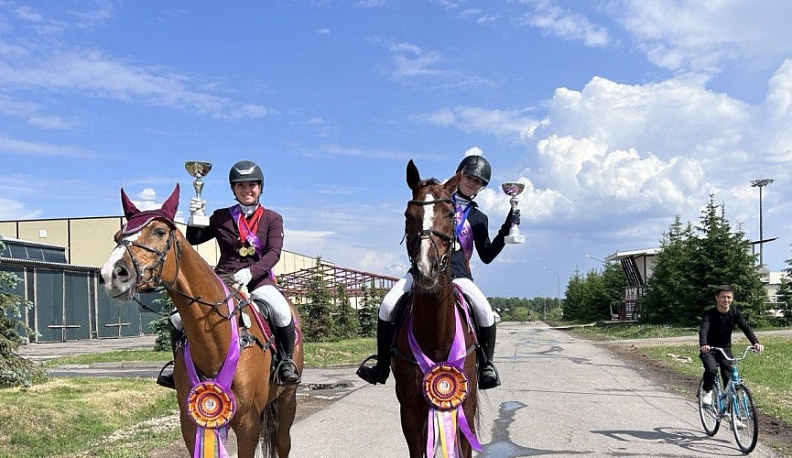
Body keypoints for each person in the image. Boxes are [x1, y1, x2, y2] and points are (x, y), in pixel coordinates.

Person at [357, 154, 520, 390]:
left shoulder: (478, 217)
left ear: (481, 187)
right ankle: (382, 364)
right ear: (458, 176)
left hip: (459, 275)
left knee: (484, 310)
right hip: (422, 269)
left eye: (478, 182)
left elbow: (487, 254)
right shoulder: (436, 200)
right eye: (469, 177)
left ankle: (485, 366)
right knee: (388, 304)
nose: (472, 183)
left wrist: (509, 225)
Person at [156, 160, 300, 388]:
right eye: (240, 186)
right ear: (233, 189)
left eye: (252, 185)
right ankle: (177, 369)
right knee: (176, 318)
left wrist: (251, 272)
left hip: (258, 280)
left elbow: (273, 253)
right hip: (223, 279)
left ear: (260, 187)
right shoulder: (222, 216)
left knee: (282, 312)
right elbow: (194, 239)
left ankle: (285, 363)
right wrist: (196, 216)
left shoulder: (273, 218)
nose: (247, 190)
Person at [699, 284, 764, 407]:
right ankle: (707, 391)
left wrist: (755, 342)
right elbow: (703, 330)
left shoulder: (735, 312)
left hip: (725, 349)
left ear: (732, 298)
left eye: (729, 297)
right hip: (710, 349)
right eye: (723, 297)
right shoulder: (709, 314)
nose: (726, 300)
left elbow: (746, 327)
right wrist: (704, 345)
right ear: (717, 298)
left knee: (730, 379)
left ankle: (733, 415)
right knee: (712, 369)